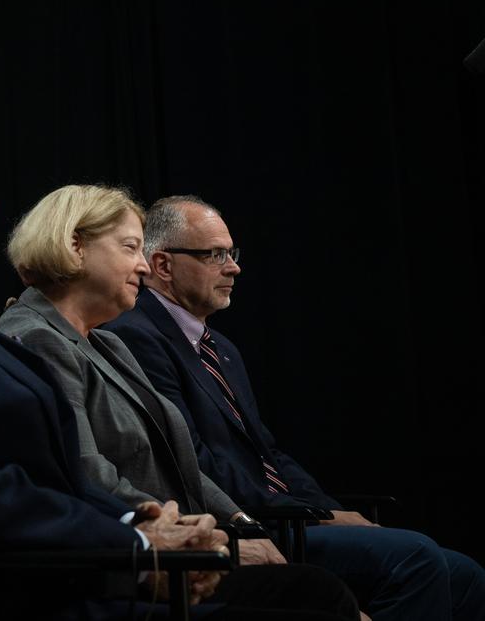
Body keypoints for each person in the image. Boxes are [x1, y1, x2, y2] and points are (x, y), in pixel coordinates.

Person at [0, 84, 358, 620]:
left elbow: (40, 476)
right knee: (313, 602)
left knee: (311, 592)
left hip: (62, 574)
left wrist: (137, 519)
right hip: (19, 597)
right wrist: (138, 543)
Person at [106, 195, 485, 621]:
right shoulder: (135, 336)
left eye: (231, 253)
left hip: (287, 518)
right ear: (162, 266)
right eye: (215, 255)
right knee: (415, 558)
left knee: (465, 574)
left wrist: (326, 508)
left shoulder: (221, 348)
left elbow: (267, 452)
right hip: (246, 525)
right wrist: (311, 517)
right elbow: (190, 460)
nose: (234, 267)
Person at [0, 185, 289, 576]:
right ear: (75, 245)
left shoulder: (109, 343)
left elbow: (179, 461)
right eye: (131, 247)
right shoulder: (37, 336)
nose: (145, 266)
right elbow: (86, 471)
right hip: (140, 560)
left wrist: (240, 523)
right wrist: (201, 541)